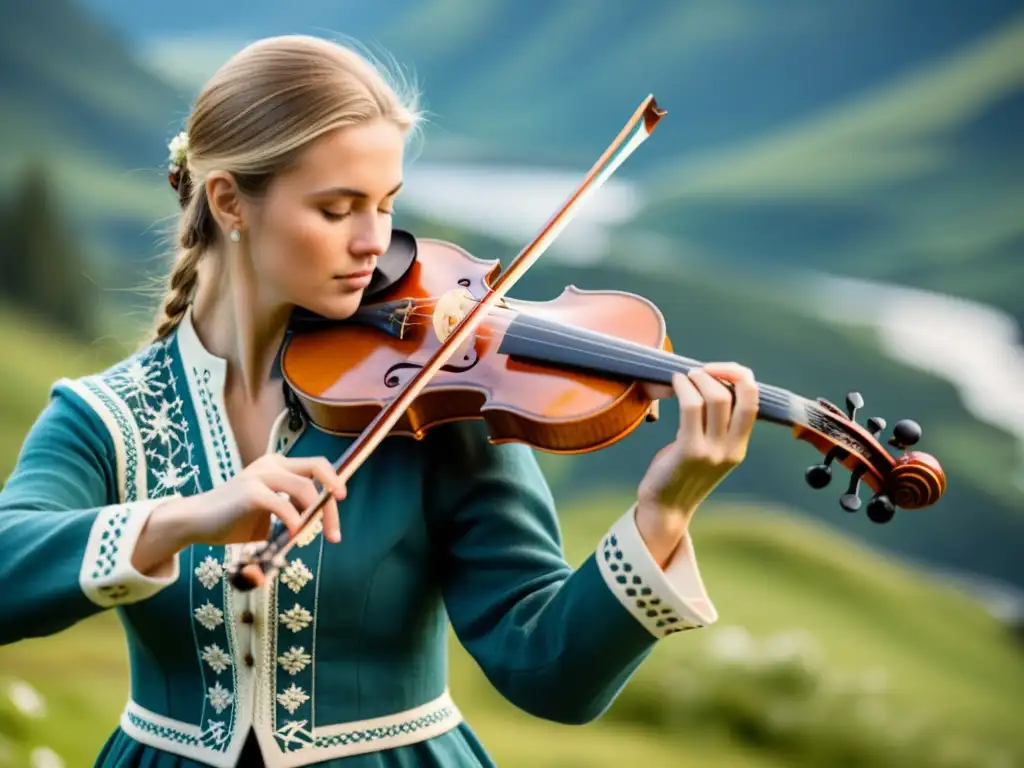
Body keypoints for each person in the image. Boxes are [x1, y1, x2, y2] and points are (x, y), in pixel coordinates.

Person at [0, 34, 759, 768]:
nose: (376, 242)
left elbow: (549, 671)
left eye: (386, 204)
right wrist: (188, 519)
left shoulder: (431, 401)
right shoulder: (108, 417)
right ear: (230, 201)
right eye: (338, 209)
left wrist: (662, 513)